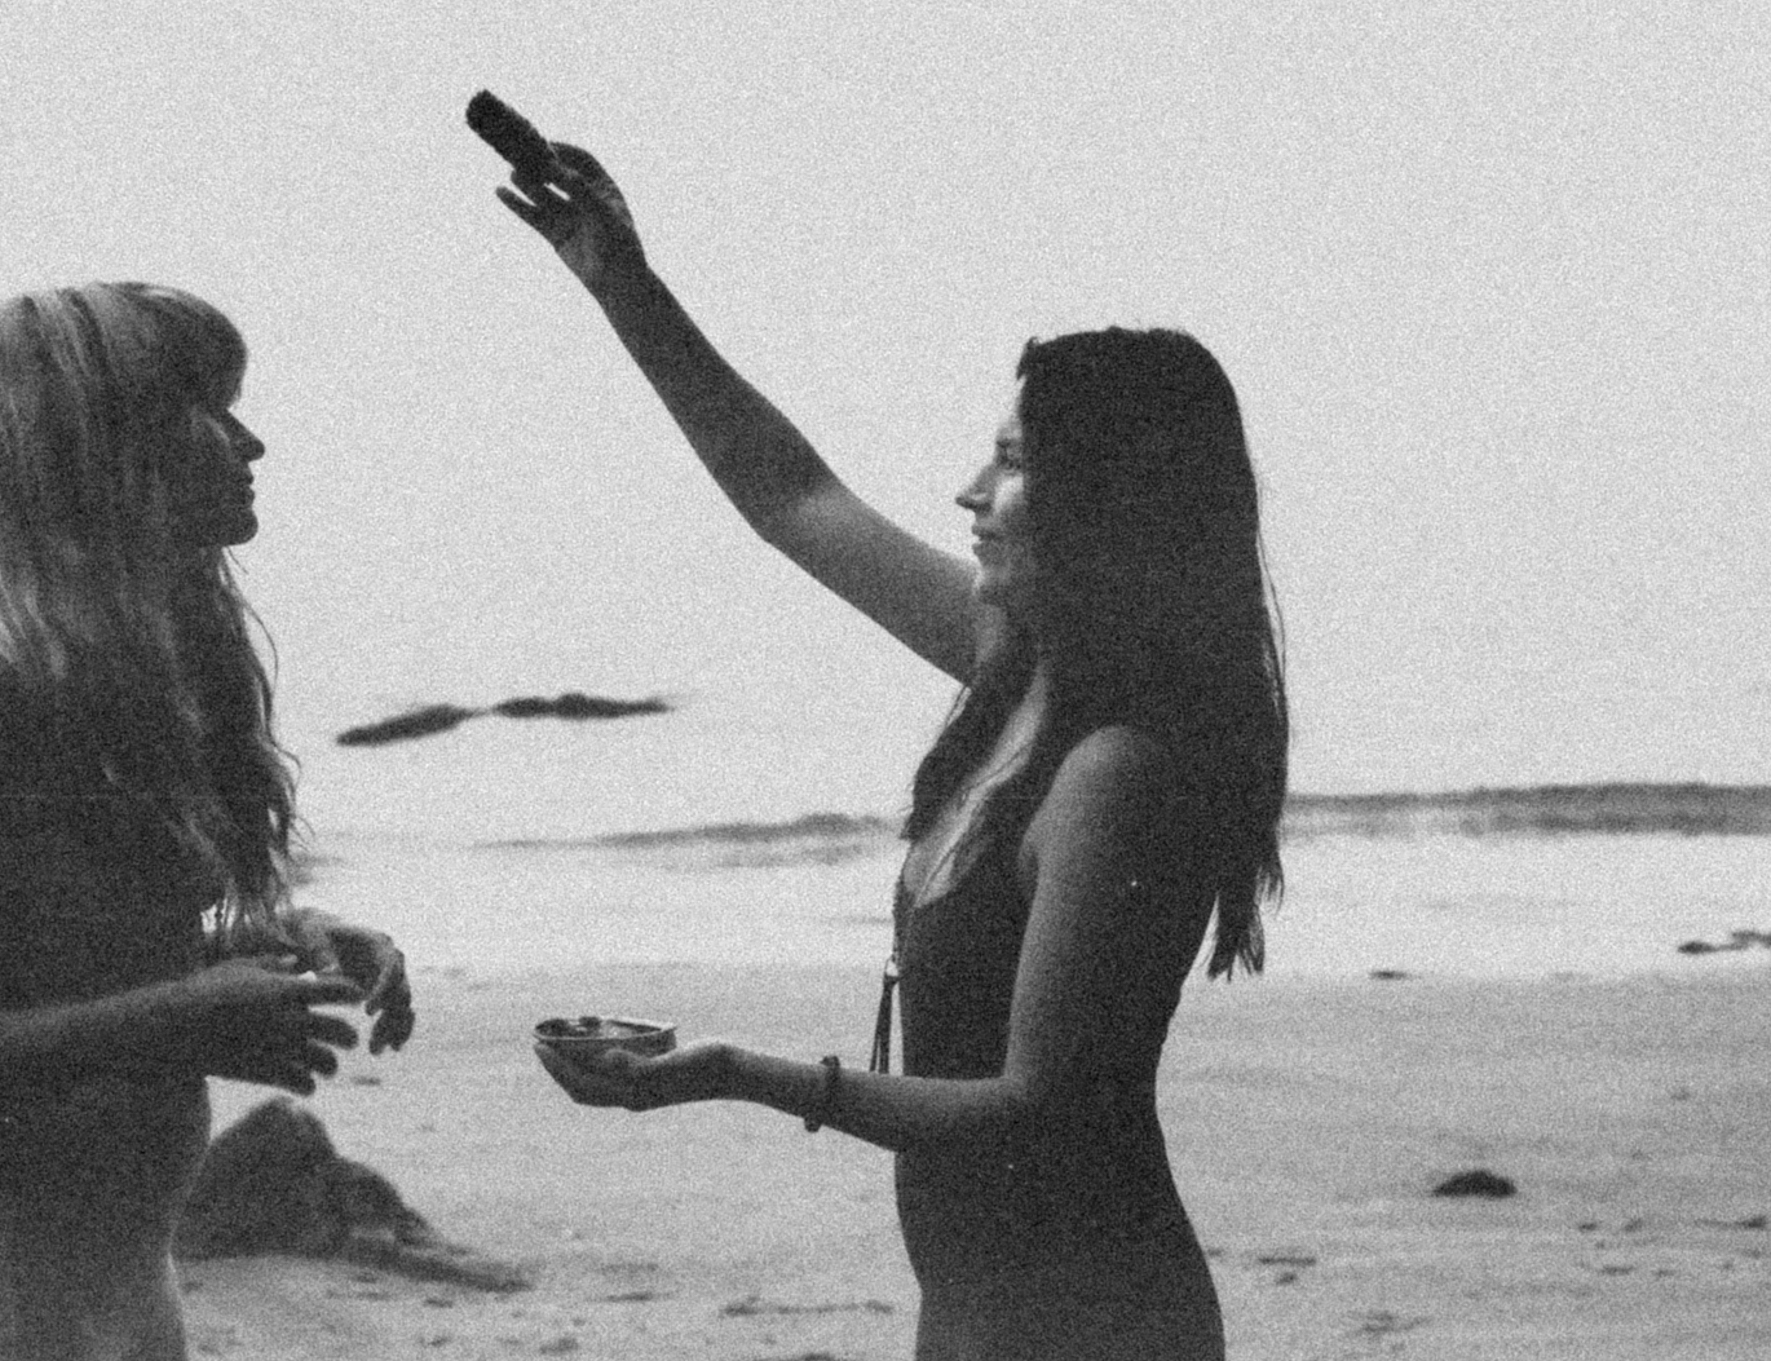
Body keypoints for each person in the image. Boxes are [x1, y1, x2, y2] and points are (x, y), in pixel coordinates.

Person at [491, 138, 1286, 1359]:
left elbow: (1036, 1110)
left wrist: (734, 1070)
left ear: (1107, 498)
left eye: (1014, 460)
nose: (970, 490)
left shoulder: (1113, 770)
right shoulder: (1014, 680)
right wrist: (623, 287)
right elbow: (790, 496)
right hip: (973, 1313)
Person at [0, 283, 417, 1361]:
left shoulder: (137, 672)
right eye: (210, 411)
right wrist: (184, 1016)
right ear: (101, 448)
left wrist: (258, 949)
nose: (250, 441)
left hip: (123, 1281)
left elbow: (59, 957)